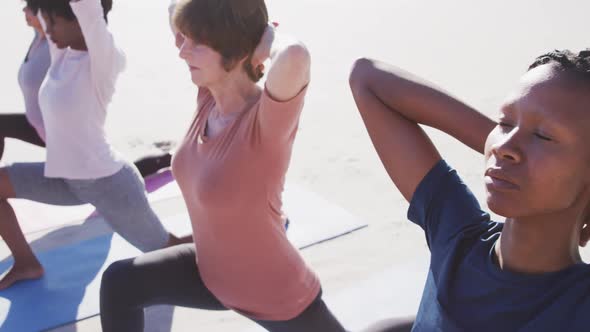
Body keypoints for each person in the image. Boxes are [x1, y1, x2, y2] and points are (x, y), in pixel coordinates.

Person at [98, 1, 347, 331]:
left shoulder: (265, 124)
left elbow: (296, 55)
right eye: (184, 38)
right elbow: (174, 8)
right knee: (120, 282)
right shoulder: (208, 97)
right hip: (210, 276)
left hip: (274, 294)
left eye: (196, 43)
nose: (182, 52)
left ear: (238, 50)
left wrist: (264, 38)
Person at [349, 49, 590, 331]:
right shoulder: (457, 238)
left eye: (543, 135)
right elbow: (367, 78)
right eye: (505, 123)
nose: (504, 145)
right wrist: (502, 153)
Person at [0, 0, 183, 291]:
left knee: (170, 250)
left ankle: (238, 243)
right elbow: (54, 17)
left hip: (109, 185)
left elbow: (89, 10)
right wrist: (49, 15)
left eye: (54, 22)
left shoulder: (103, 61)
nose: (50, 30)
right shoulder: (62, 55)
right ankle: (26, 264)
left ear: (80, 21)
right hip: (64, 179)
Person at [1, 0, 172, 178]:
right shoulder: (40, 39)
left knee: (109, 173)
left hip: (60, 130)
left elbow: (89, 22)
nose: (24, 10)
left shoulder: (60, 47)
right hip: (40, 125)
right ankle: (157, 162)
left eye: (29, 8)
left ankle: (162, 161)